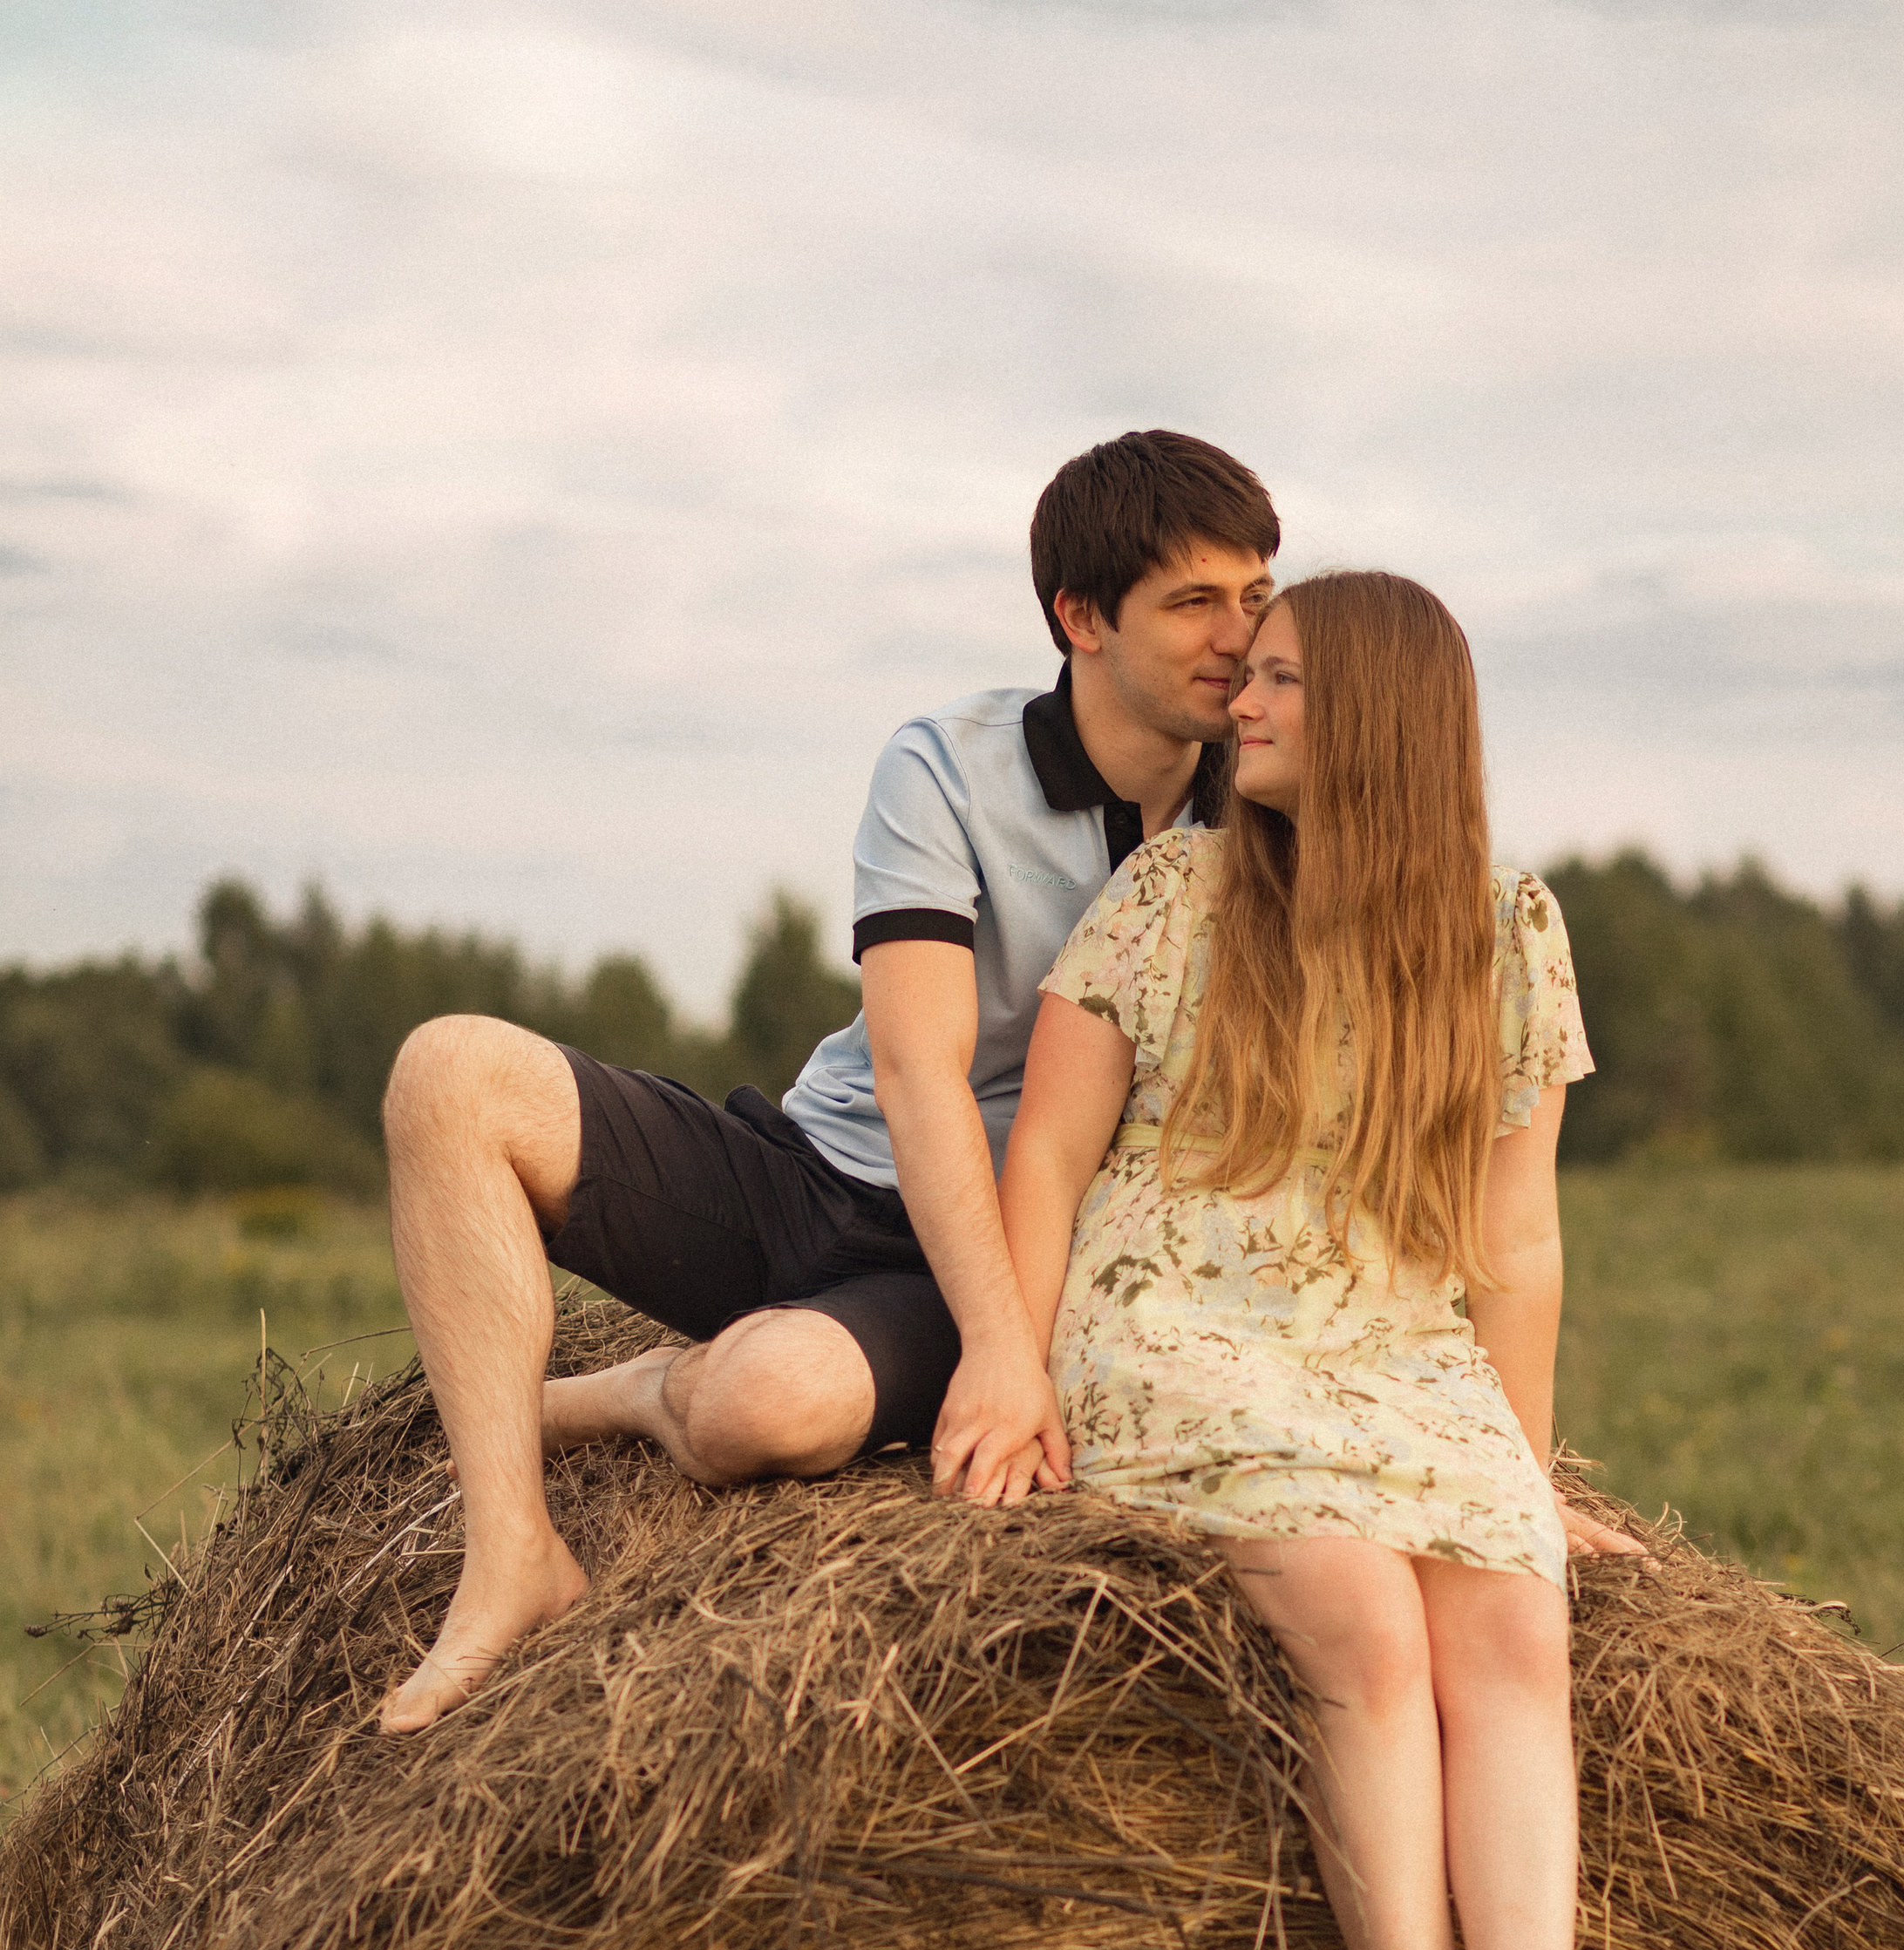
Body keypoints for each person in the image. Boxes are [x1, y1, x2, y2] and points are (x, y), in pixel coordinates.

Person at [374, 431, 1281, 1733]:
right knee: (451, 1072)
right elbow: (920, 1074)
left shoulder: (1267, 811)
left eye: (1255, 595)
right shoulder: (946, 765)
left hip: (998, 1247)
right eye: (1195, 600)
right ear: (1080, 618)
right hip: (822, 1170)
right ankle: (511, 1552)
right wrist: (1007, 1361)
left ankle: (636, 1390)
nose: (1237, 637)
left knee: (766, 1406)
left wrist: (1015, 1343)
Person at [996, 571, 1646, 1950]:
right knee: (1361, 1623)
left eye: (1279, 677)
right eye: (1248, 673)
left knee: (1510, 1615)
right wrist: (1010, 1361)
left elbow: (1512, 1239)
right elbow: (1051, 1151)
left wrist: (1519, 1459)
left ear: (1377, 714)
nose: (1244, 701)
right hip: (1175, 1318)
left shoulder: (1506, 928)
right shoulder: (1169, 894)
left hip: (1383, 1335)